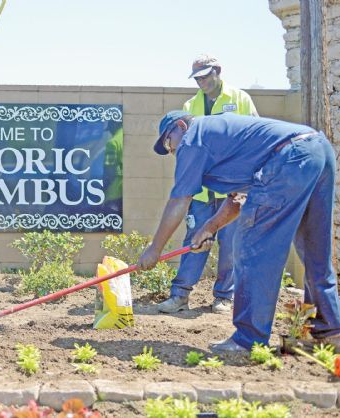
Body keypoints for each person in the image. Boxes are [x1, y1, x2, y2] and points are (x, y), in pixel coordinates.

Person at [138, 110, 340, 353]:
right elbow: (236, 199)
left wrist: (155, 249)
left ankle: (248, 340)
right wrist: (209, 227)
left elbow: (180, 199)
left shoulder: (193, 140)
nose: (172, 152)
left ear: (180, 126)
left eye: (168, 143)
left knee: (251, 249)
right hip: (317, 150)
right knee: (313, 251)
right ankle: (329, 332)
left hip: (288, 159)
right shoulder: (223, 139)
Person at [157, 54, 259, 315]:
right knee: (194, 238)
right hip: (202, 191)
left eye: (205, 75)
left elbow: (254, 138)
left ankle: (223, 297)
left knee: (230, 241)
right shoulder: (190, 105)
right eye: (197, 78)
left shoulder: (239, 99)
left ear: (218, 71)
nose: (201, 81)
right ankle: (180, 295)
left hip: (233, 188)